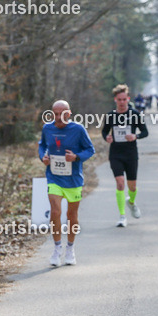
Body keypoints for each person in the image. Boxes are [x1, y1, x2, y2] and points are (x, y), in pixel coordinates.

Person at [38, 100, 95, 266]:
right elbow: (42, 145)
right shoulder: (47, 128)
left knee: (72, 215)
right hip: (54, 177)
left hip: (73, 179)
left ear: (69, 113)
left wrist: (76, 157)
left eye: (62, 113)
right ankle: (57, 248)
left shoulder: (78, 129)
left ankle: (70, 248)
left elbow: (90, 149)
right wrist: (43, 157)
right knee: (55, 211)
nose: (58, 117)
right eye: (55, 113)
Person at [101, 84, 148, 227]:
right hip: (116, 154)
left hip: (131, 154)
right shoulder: (110, 116)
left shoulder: (135, 115)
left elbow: (145, 132)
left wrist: (135, 136)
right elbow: (104, 132)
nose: (122, 102)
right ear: (115, 100)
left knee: (132, 187)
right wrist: (107, 138)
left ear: (128, 99)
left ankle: (131, 202)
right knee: (120, 183)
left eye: (124, 99)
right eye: (119, 99)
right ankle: (122, 216)